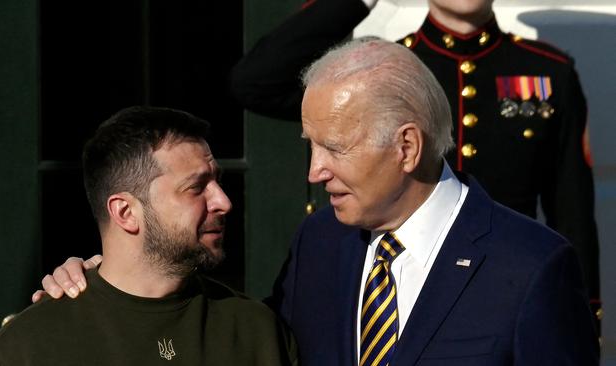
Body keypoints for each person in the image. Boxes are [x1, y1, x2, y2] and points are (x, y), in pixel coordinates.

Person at [39, 39, 598, 365]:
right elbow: (235, 337)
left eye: (335, 148)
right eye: (312, 147)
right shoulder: (323, 239)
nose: (314, 172)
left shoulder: (531, 269)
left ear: (406, 146)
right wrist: (106, 282)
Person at [230, 0, 602, 328]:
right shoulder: (384, 73)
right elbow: (255, 82)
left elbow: (572, 213)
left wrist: (582, 316)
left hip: (503, 284)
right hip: (394, 274)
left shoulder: (547, 72)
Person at [0, 106, 297, 366]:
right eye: (197, 188)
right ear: (126, 213)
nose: (223, 202)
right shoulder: (31, 346)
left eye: (218, 182)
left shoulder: (255, 331)